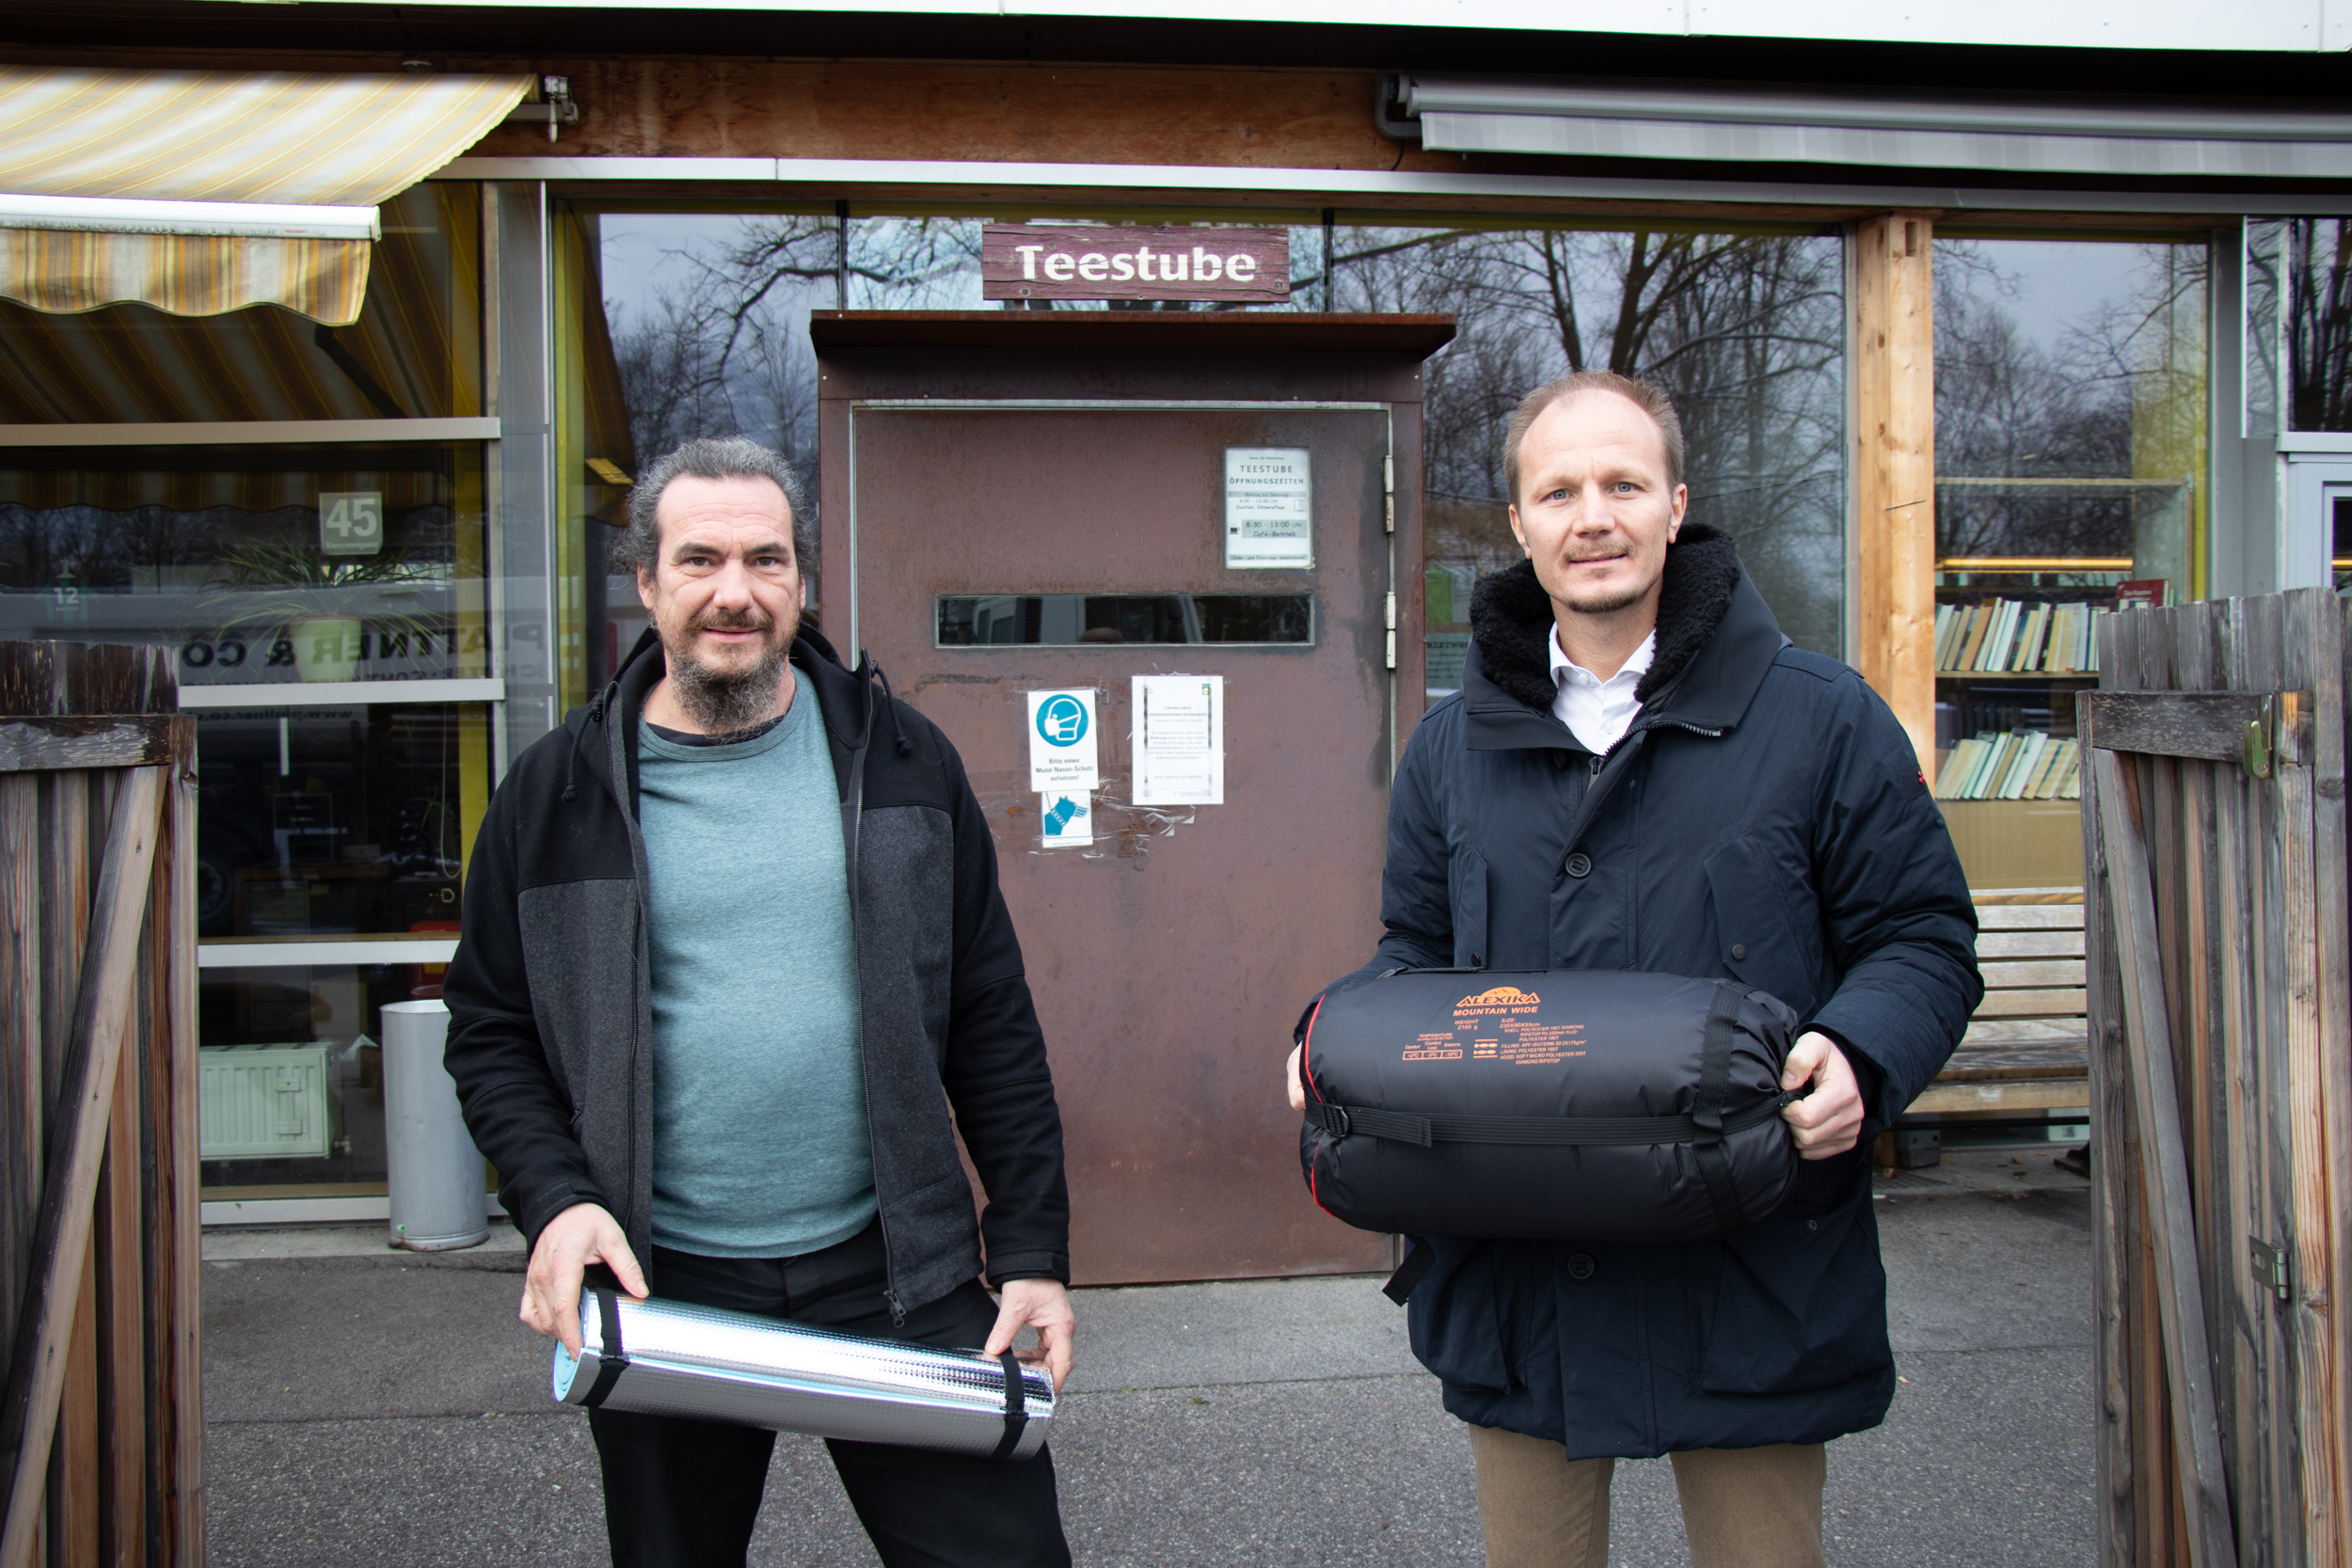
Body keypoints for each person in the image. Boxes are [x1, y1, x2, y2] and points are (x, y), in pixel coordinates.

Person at [1287, 372, 1980, 1568]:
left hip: (1752, 1263)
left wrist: (1861, 1051)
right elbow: (1414, 954)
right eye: (1557, 489)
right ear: (1518, 522)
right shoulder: (1452, 744)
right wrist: (1334, 1038)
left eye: (1622, 483)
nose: (1590, 515)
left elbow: (1921, 936)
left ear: (1676, 505)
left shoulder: (1819, 717)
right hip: (1523, 1273)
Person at [445, 436, 1075, 1568]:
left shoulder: (900, 759)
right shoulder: (556, 793)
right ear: (646, 583)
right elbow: (490, 1030)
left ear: (799, 581)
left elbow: (988, 1011)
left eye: (765, 560)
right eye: (699, 560)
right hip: (663, 1275)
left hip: (895, 1266)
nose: (733, 592)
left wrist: (1031, 1245)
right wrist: (552, 1199)